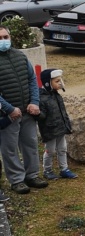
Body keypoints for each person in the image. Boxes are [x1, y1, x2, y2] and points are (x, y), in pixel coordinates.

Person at [0, 25, 48, 196]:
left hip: (27, 111)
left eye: (6, 37)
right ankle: (17, 180)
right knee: (10, 149)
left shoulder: (20, 56)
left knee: (30, 144)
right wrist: (9, 109)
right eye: (0, 38)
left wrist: (34, 102)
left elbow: (32, 81)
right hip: (8, 115)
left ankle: (32, 175)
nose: (4, 41)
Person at [37, 68, 78, 180]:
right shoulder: (42, 99)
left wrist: (66, 123)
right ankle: (47, 170)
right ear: (48, 83)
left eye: (60, 80)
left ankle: (64, 169)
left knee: (62, 148)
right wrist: (37, 113)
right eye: (56, 81)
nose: (60, 83)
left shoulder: (56, 95)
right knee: (50, 150)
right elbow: (42, 116)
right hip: (50, 130)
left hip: (60, 127)